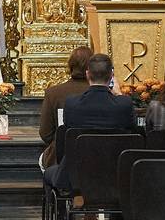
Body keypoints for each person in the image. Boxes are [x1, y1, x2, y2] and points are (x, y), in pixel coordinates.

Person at [44, 53, 135, 191]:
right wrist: (118, 94)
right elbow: (132, 130)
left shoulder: (72, 104)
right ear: (111, 75)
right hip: (116, 174)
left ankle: (65, 208)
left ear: (88, 74)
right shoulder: (124, 104)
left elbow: (64, 138)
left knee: (49, 172)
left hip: (77, 175)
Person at [39, 46, 92, 169]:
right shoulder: (103, 94)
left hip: (62, 157)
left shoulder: (54, 93)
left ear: (70, 65)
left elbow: (45, 133)